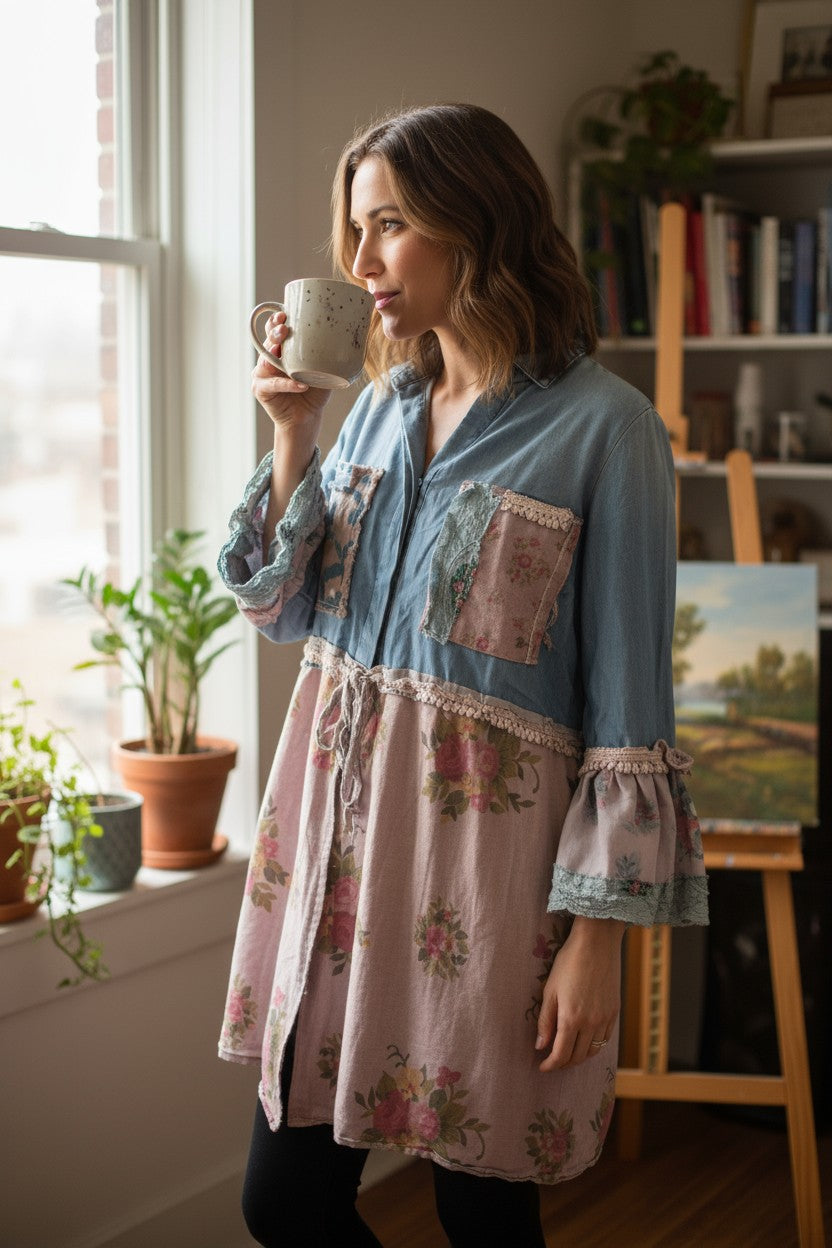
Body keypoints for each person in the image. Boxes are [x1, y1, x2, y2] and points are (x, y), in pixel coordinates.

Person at [217, 103, 707, 1247]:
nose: (360, 262)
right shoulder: (373, 416)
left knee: (480, 1210)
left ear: (474, 219)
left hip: (486, 889)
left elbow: (628, 709)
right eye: (354, 229)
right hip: (333, 863)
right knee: (281, 1202)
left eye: (389, 224)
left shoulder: (607, 431)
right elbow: (282, 610)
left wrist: (595, 941)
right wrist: (293, 432)